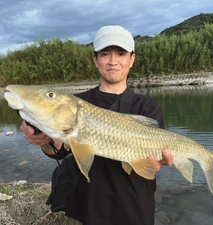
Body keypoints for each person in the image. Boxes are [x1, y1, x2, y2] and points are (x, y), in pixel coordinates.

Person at [20, 25, 173, 225]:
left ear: (131, 59)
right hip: (88, 208)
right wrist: (42, 140)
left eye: (121, 53)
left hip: (134, 209)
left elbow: (151, 161)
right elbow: (59, 150)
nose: (113, 61)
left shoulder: (147, 106)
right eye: (105, 54)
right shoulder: (76, 103)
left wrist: (154, 163)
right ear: (95, 59)